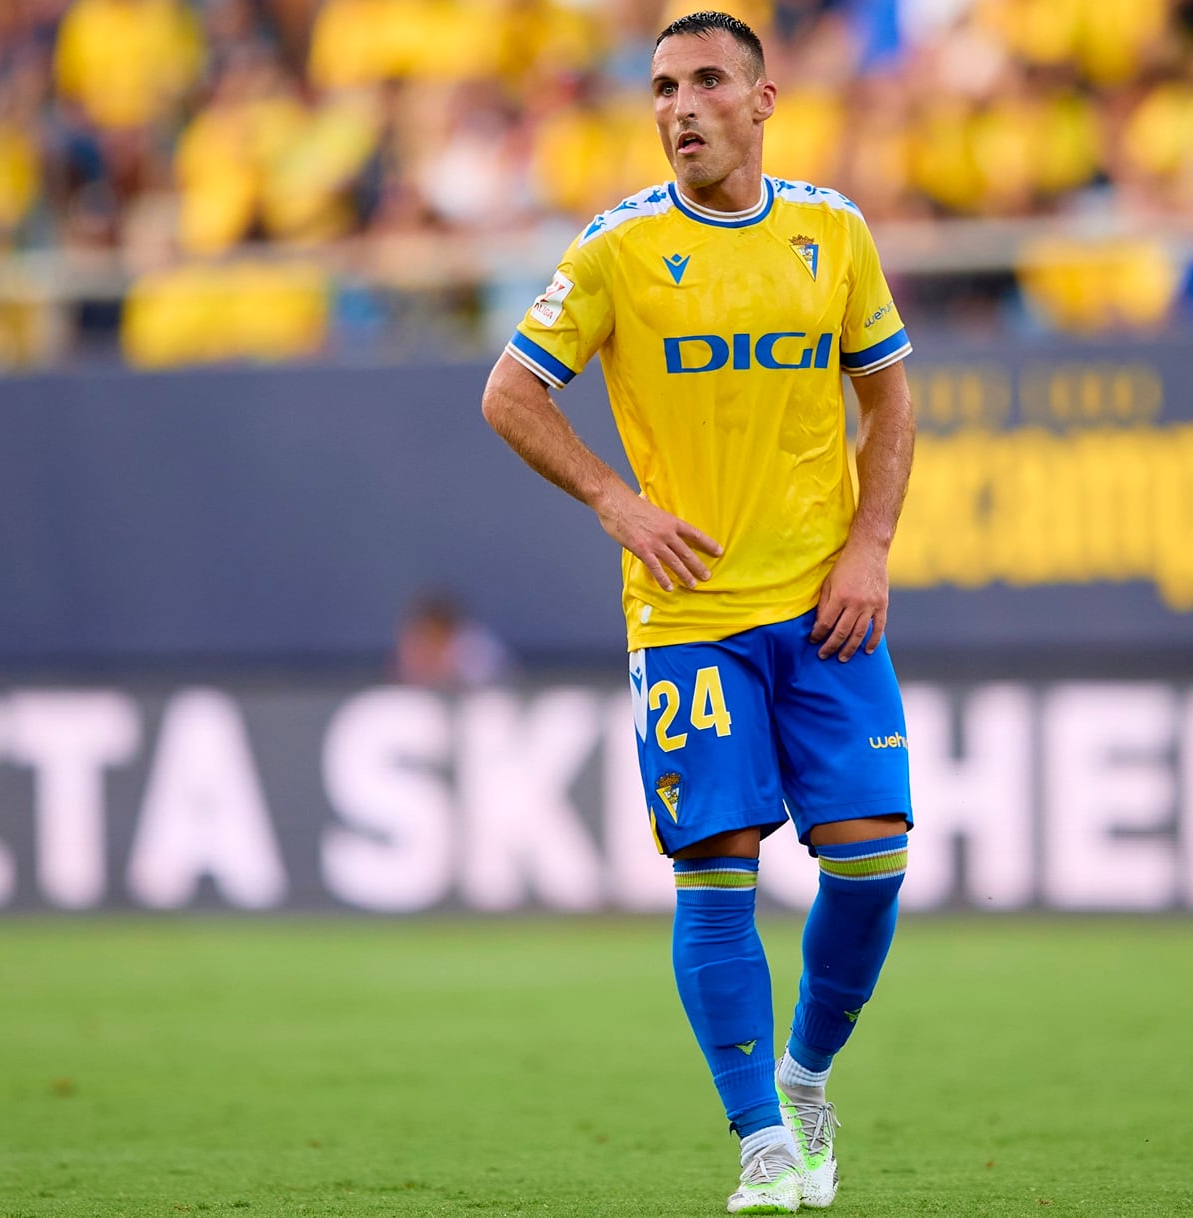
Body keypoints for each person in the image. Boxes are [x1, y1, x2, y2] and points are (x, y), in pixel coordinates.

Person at [479, 11, 915, 1214]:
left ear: (763, 101)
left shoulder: (832, 233)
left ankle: (806, 1077)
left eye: (707, 81)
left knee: (871, 863)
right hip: (686, 618)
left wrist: (869, 546)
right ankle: (761, 1141)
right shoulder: (615, 249)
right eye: (662, 85)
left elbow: (888, 399)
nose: (678, 104)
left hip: (824, 603)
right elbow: (509, 394)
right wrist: (616, 503)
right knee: (716, 870)